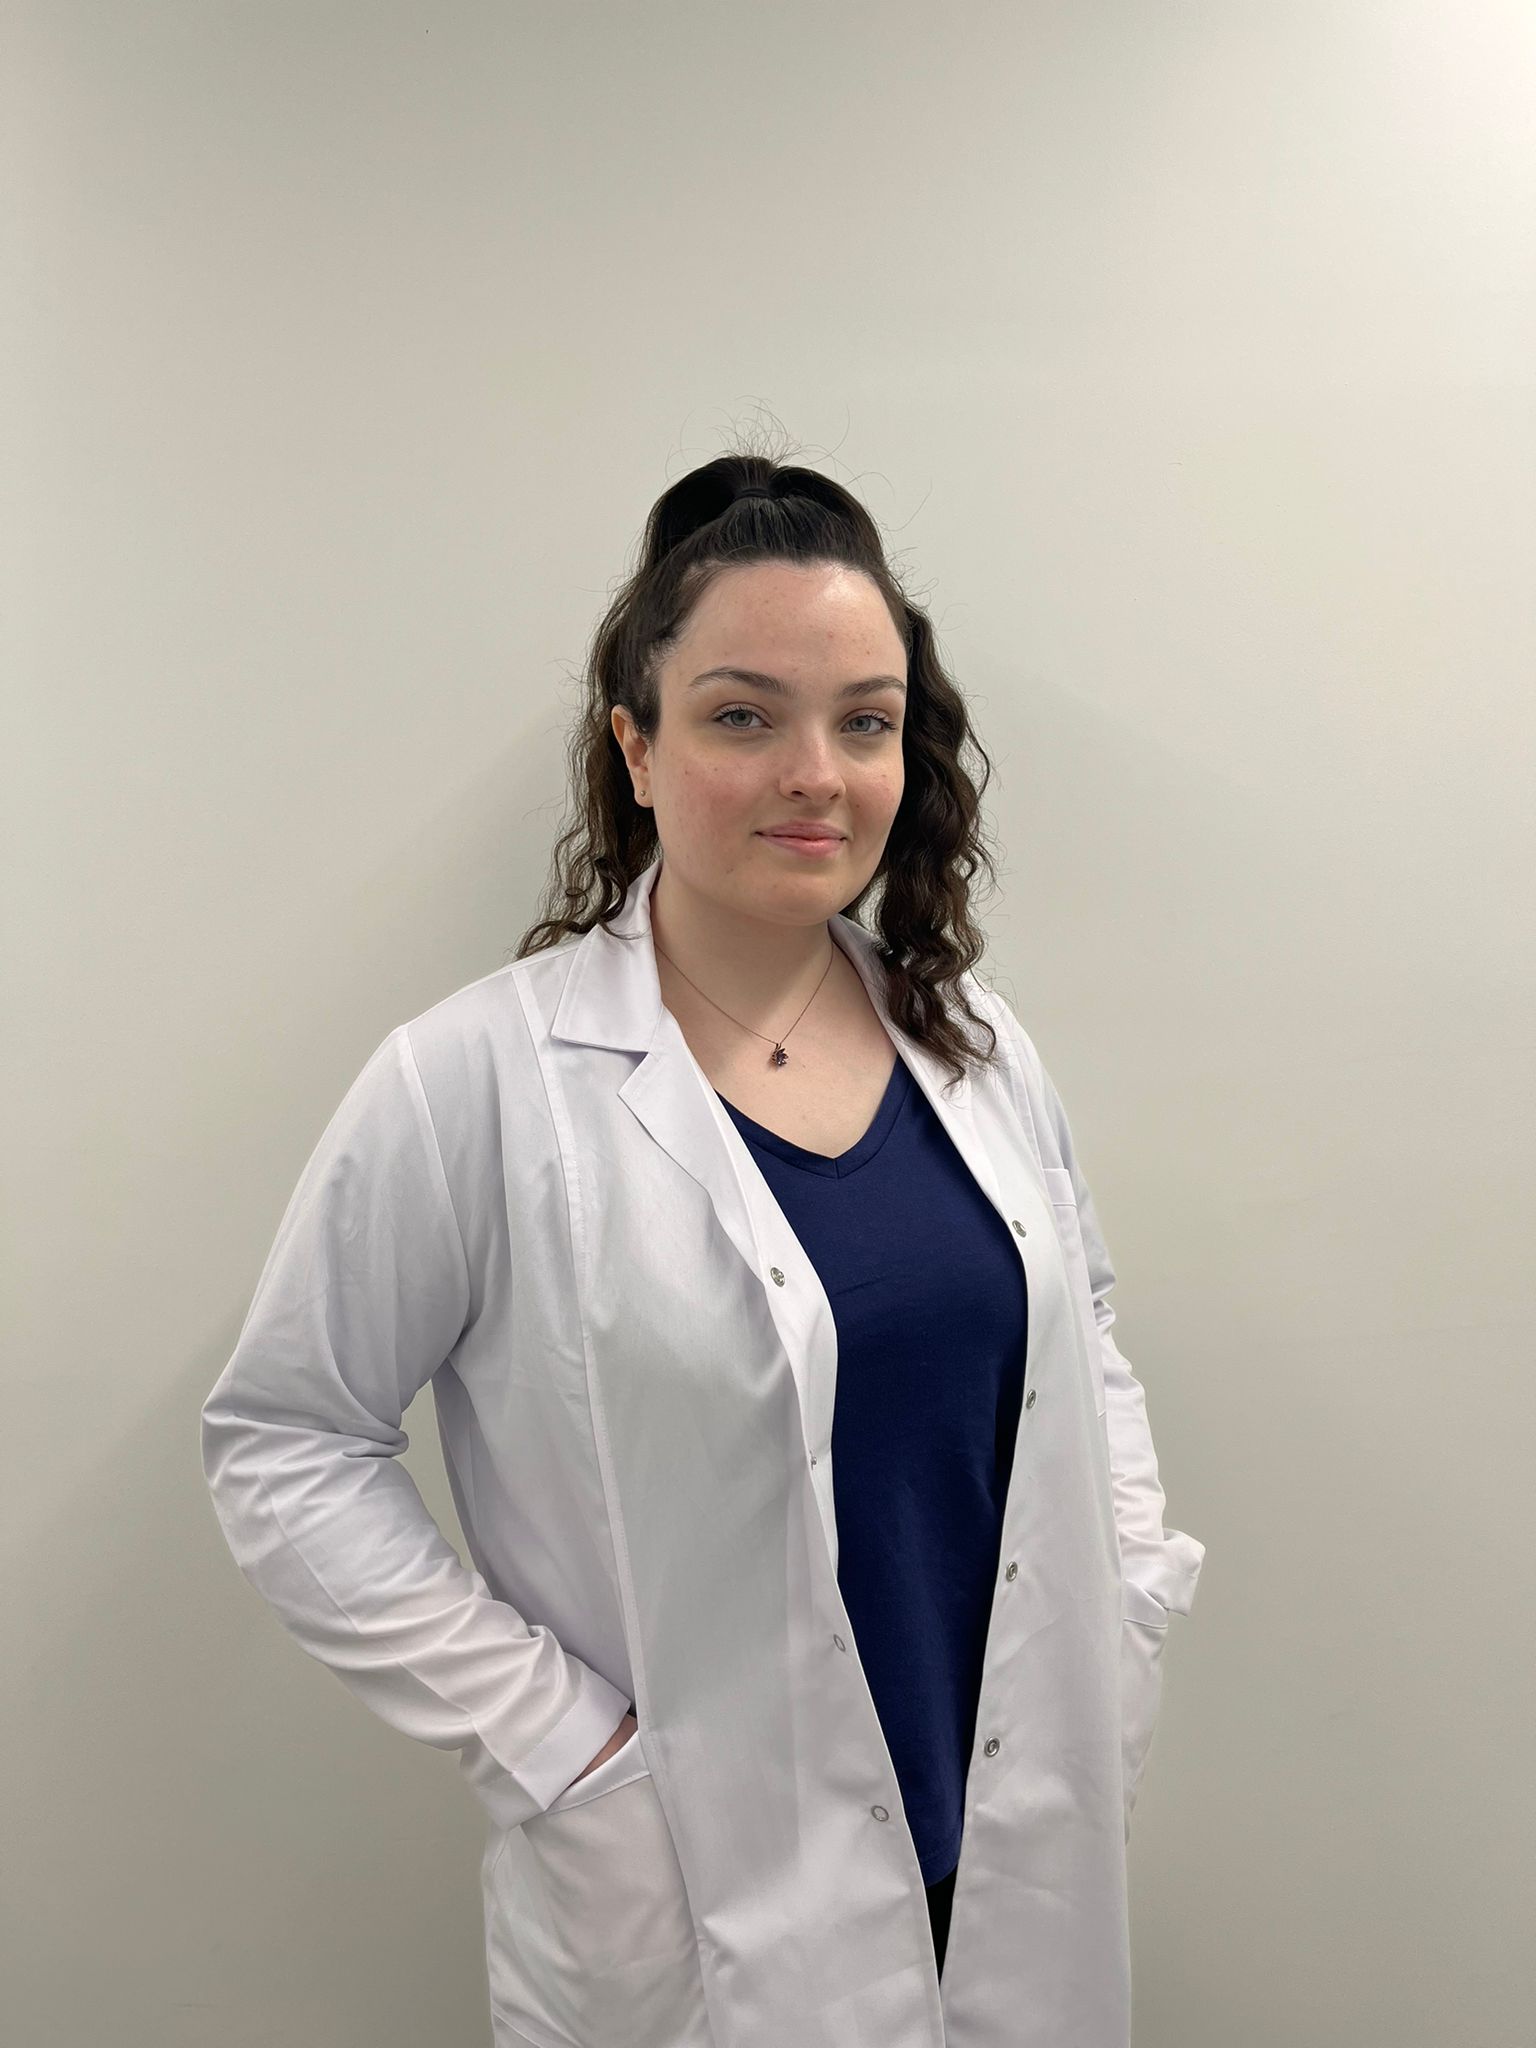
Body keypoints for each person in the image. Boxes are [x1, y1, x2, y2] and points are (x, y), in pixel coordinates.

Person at [201, 452, 1205, 2048]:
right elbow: (286, 1441)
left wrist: (1130, 1601)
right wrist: (564, 1748)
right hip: (696, 1885)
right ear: (637, 747)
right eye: (743, 716)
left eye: (865, 721)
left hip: (1011, 1849)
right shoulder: (477, 1083)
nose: (816, 773)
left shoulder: (977, 1047)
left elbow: (1080, 1329)